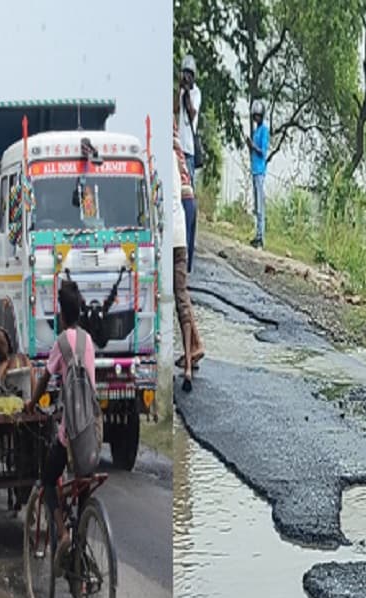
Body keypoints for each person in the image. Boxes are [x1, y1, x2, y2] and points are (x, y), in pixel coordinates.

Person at [25, 281, 97, 562]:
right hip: (92, 430)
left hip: (70, 432)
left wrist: (32, 403)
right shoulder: (88, 340)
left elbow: (45, 377)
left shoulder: (62, 341)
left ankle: (62, 534)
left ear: (61, 313)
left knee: (47, 479)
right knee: (83, 488)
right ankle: (80, 552)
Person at [174, 130, 204, 391]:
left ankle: (194, 348)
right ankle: (193, 348)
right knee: (181, 291)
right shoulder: (178, 149)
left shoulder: (168, 153)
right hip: (187, 208)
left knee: (178, 292)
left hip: (180, 213)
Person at [248, 100, 269, 249]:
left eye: (257, 116)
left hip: (260, 171)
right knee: (256, 205)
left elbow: (263, 151)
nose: (255, 119)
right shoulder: (256, 131)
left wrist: (252, 146)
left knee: (260, 206)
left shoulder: (264, 131)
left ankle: (261, 237)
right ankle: (257, 235)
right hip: (254, 170)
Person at [178, 54, 201, 187]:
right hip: (179, 146)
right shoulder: (181, 92)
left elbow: (192, 114)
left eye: (189, 75)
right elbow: (175, 109)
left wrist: (187, 94)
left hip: (189, 147)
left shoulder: (196, 93)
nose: (187, 78)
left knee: (189, 184)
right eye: (185, 74)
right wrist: (179, 90)